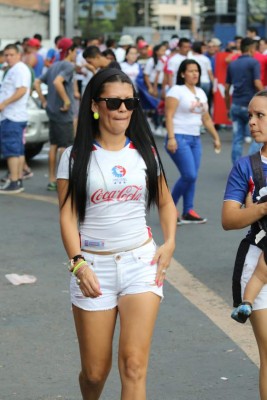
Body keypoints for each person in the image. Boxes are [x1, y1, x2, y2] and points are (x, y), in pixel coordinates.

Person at [56, 68, 177, 399]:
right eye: (114, 102)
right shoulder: (75, 157)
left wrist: (170, 243)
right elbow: (67, 215)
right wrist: (78, 263)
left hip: (141, 263)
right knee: (95, 374)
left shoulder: (145, 154)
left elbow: (166, 205)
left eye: (129, 102)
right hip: (93, 268)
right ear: (96, 105)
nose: (123, 109)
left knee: (134, 366)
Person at [222, 89, 267, 400]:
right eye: (250, 115)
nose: (251, 122)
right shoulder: (246, 166)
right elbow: (229, 219)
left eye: (259, 115)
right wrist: (263, 208)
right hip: (259, 264)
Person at [165, 59, 221, 224]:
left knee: (192, 177)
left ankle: (188, 211)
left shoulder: (201, 92)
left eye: (196, 70)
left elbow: (206, 118)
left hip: (195, 139)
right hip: (179, 137)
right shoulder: (176, 90)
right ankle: (169, 209)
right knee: (189, 175)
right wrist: (171, 137)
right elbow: (168, 115)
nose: (195, 73)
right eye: (190, 71)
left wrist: (216, 137)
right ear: (182, 74)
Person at [34, 38, 78, 191]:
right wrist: (66, 101)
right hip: (62, 113)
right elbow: (57, 82)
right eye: (75, 51)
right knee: (65, 147)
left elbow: (37, 82)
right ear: (70, 51)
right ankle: (63, 180)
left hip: (52, 111)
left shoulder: (54, 66)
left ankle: (53, 179)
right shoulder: (67, 66)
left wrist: (44, 101)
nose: (76, 54)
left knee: (54, 145)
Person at [225, 37, 263, 165]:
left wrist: (227, 107)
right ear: (251, 48)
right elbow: (257, 83)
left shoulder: (232, 64)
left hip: (235, 104)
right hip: (251, 107)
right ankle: (251, 166)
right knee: (258, 137)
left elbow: (226, 88)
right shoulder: (253, 62)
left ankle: (237, 167)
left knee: (237, 139)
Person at [0, 44, 31, 194]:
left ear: (19, 55)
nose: (8, 57)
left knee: (12, 150)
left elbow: (22, 90)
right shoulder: (14, 69)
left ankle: (14, 181)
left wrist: (4, 103)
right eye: (6, 55)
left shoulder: (19, 69)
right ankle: (17, 179)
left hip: (12, 115)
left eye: (11, 54)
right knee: (17, 150)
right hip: (14, 115)